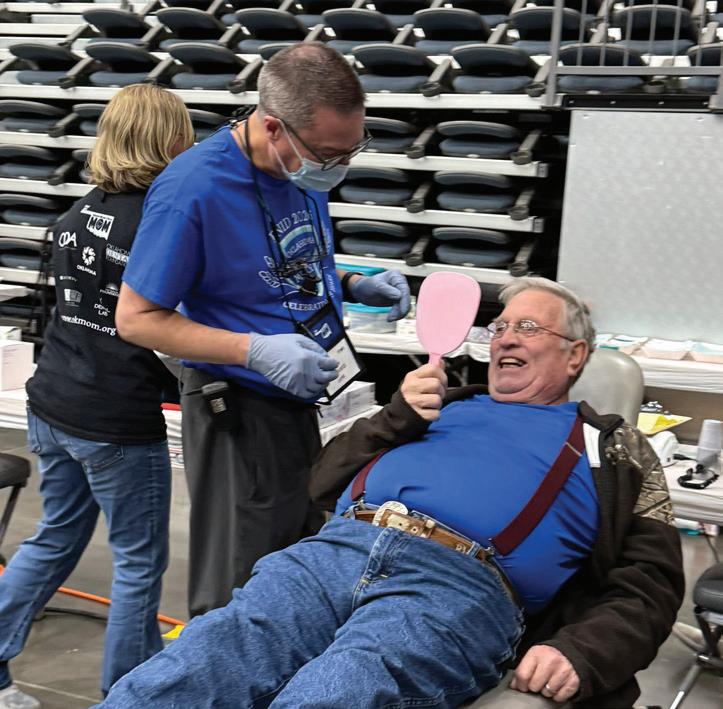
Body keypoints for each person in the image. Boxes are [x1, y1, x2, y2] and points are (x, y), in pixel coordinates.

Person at [96, 277, 684, 709]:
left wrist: (583, 652)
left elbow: (651, 585)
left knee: (335, 694)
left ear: (576, 354)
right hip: (334, 551)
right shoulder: (439, 405)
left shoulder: (616, 449)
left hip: (457, 584)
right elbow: (321, 480)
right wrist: (395, 417)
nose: (505, 337)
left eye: (527, 327)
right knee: (186, 671)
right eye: (499, 327)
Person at [114, 42, 411, 617]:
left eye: (352, 150)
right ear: (273, 127)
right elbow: (136, 318)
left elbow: (272, 260)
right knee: (239, 585)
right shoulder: (193, 189)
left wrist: (351, 283)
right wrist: (252, 350)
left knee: (293, 563)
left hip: (299, 399)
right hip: (240, 411)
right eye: (329, 153)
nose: (339, 167)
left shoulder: (295, 167)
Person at [0, 84, 194, 709]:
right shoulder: (159, 226)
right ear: (171, 142)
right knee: (138, 561)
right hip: (114, 420)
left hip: (53, 403)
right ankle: (128, 695)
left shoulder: (76, 215)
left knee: (54, 536)